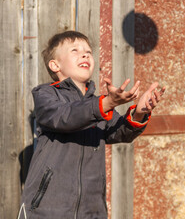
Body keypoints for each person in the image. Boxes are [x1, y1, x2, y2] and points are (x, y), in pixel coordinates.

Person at [18, 30, 165, 219]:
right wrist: (108, 103)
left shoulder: (97, 104)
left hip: (92, 210)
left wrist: (139, 112)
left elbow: (119, 132)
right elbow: (64, 117)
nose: (85, 53)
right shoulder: (46, 94)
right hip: (48, 209)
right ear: (55, 65)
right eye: (75, 50)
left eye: (88, 51)